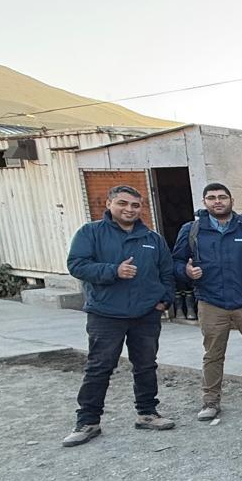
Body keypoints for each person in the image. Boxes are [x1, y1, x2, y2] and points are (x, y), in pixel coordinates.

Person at [63, 185, 176, 446]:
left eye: (135, 205)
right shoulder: (91, 233)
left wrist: (164, 299)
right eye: (123, 204)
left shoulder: (152, 238)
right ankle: (88, 421)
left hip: (145, 314)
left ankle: (147, 413)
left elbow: (166, 272)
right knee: (100, 366)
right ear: (109, 203)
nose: (129, 209)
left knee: (146, 365)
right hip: (106, 314)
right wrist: (113, 271)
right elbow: (76, 265)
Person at [173, 182, 242, 420]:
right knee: (213, 354)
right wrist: (186, 271)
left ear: (231, 200)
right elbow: (176, 262)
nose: (218, 201)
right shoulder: (192, 230)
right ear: (204, 202)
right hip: (211, 303)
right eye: (212, 198)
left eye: (222, 197)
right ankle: (210, 402)